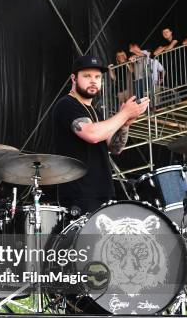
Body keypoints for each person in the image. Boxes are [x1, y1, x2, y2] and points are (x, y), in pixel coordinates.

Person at [53, 55, 149, 216]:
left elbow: (114, 147)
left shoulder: (95, 112)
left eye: (97, 77)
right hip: (80, 195)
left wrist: (125, 124)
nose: (93, 81)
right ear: (73, 78)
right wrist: (124, 114)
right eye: (87, 76)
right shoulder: (67, 104)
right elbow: (92, 134)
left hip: (103, 193)